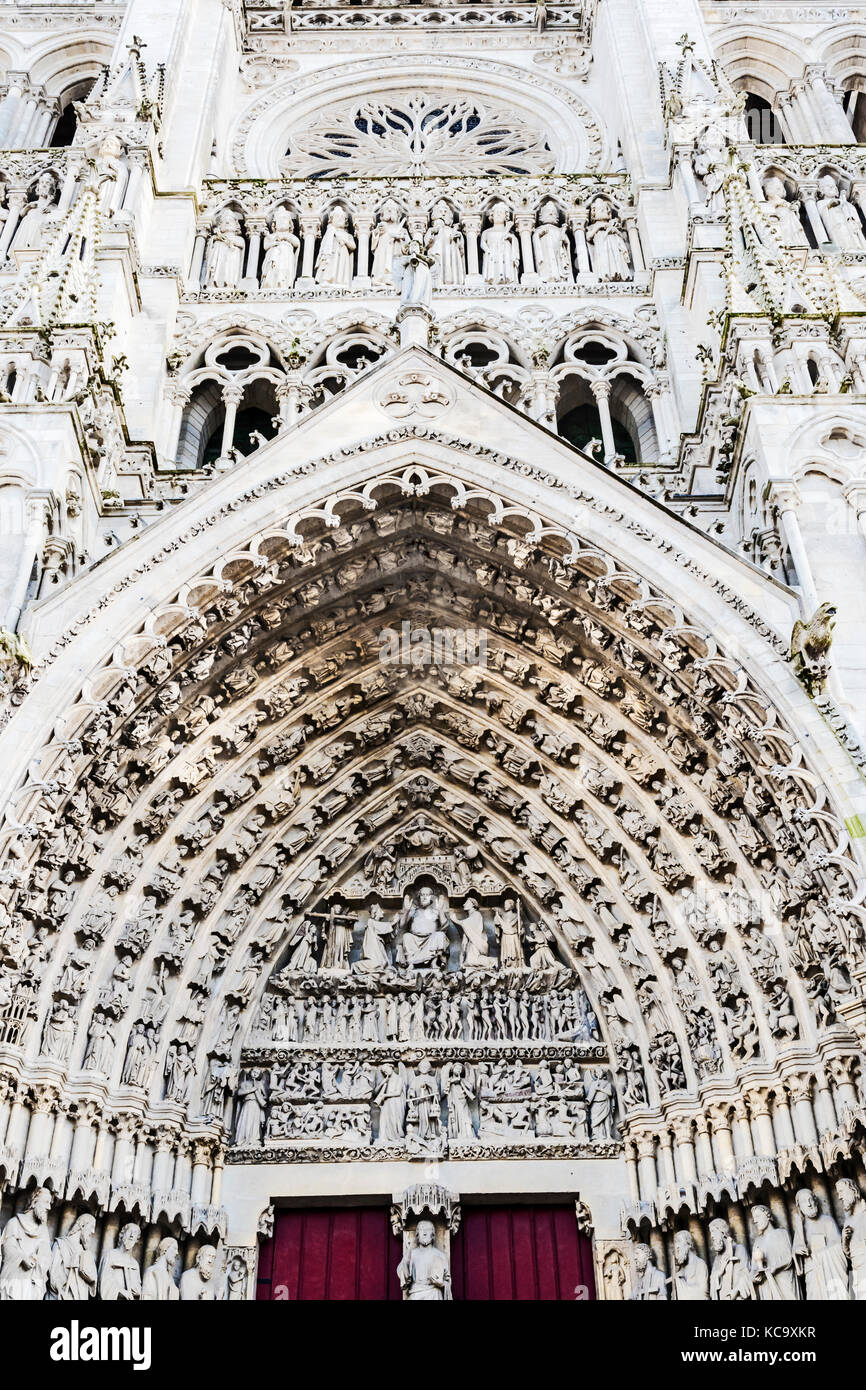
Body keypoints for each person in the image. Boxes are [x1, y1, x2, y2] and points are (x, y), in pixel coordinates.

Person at [792, 1189, 849, 1301]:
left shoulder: (827, 1221)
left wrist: (820, 1254)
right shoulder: (800, 1229)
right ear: (799, 1207)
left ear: (815, 1201)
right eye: (804, 1202)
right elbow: (795, 1250)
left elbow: (838, 1246)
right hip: (813, 1273)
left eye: (810, 1199)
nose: (809, 1204)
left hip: (831, 1271)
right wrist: (797, 1252)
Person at [0, 1185, 52, 1299]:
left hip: (31, 1285)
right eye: (46, 1202)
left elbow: (47, 1257)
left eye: (50, 1203)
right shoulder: (15, 1223)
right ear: (34, 1202)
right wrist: (23, 1258)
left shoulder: (43, 1231)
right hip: (13, 1281)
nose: (49, 1207)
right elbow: (7, 1249)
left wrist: (38, 1259)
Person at [397, 1220, 451, 1300]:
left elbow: (447, 1280)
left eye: (428, 1229)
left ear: (432, 1235)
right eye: (422, 1229)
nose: (425, 1233)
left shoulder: (440, 1256)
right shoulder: (411, 1254)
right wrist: (406, 1266)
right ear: (417, 1234)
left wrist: (441, 1284)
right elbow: (401, 1273)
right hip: (415, 1294)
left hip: (434, 1295)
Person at [49, 1213, 98, 1300]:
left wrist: (86, 1253)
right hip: (62, 1294)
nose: (93, 1231)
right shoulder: (61, 1244)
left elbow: (93, 1280)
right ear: (82, 1226)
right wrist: (60, 1289)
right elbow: (52, 1272)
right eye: (91, 1227)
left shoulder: (85, 1252)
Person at [100, 1221, 141, 1300]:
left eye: (135, 1233)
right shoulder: (110, 1255)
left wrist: (137, 1290)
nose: (132, 1235)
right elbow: (104, 1281)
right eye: (129, 1232)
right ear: (122, 1234)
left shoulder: (134, 1263)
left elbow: (137, 1286)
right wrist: (121, 1291)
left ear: (136, 1239)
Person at [672, 1230, 708, 1301]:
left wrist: (680, 1283)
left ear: (689, 1244)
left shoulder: (700, 1264)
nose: (677, 1246)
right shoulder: (681, 1269)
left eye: (679, 1242)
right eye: (676, 1243)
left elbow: (703, 1293)